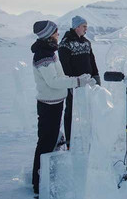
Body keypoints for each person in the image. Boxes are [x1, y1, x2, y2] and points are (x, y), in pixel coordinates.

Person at [31, 20, 96, 194]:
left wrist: (78, 79)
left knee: (50, 141)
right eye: (55, 32)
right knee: (46, 143)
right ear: (48, 35)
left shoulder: (49, 52)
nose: (58, 34)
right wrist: (77, 81)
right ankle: (39, 184)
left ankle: (42, 178)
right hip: (49, 105)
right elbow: (53, 81)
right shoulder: (43, 56)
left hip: (55, 103)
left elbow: (60, 76)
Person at [58, 16, 100, 149]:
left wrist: (96, 76)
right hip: (74, 83)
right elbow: (65, 65)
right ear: (76, 27)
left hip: (88, 83)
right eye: (84, 26)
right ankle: (70, 141)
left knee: (88, 109)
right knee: (71, 110)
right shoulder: (65, 44)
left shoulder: (87, 42)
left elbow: (92, 60)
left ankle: (87, 137)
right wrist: (72, 82)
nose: (86, 29)